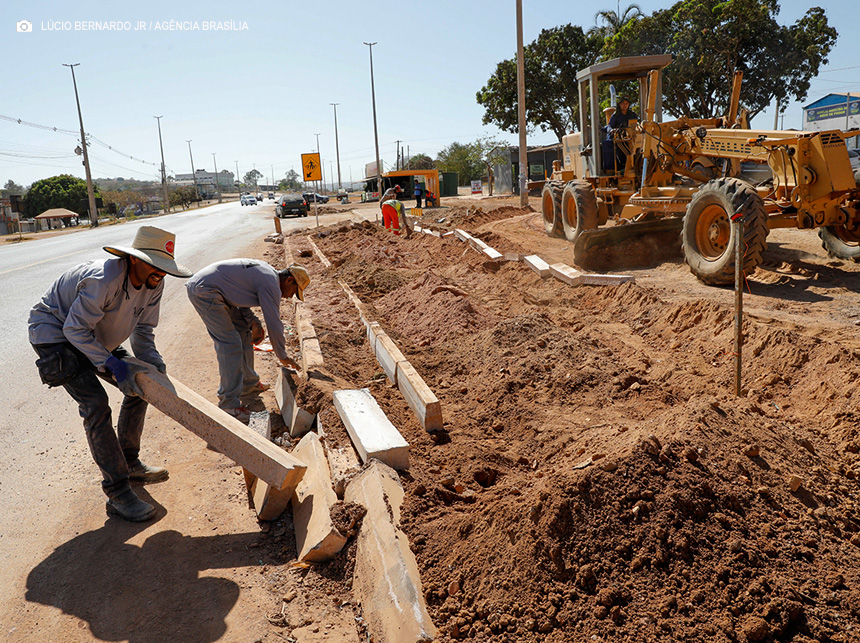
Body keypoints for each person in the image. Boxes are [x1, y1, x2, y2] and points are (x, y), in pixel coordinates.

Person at [28, 226, 192, 522]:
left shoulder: (155, 282)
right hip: (56, 336)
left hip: (95, 337)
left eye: (165, 268)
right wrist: (112, 365)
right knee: (95, 404)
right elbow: (74, 329)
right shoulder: (103, 280)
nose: (161, 273)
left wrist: (153, 365)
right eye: (155, 266)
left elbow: (142, 328)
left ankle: (129, 462)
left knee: (143, 383)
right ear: (134, 260)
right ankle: (118, 492)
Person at [186, 260, 310, 424]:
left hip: (215, 289)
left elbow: (237, 293)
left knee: (244, 330)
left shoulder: (267, 273)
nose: (289, 297)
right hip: (205, 292)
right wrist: (282, 355)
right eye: (293, 291)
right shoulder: (271, 284)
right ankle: (228, 405)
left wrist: (252, 321)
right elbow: (273, 322)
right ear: (289, 280)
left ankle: (248, 383)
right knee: (230, 344)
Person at [608, 98, 639, 173]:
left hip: (633, 137)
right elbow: (609, 126)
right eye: (623, 104)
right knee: (620, 147)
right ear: (619, 105)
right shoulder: (615, 116)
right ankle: (623, 166)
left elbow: (637, 123)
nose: (625, 105)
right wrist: (612, 130)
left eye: (626, 104)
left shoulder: (632, 115)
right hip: (620, 138)